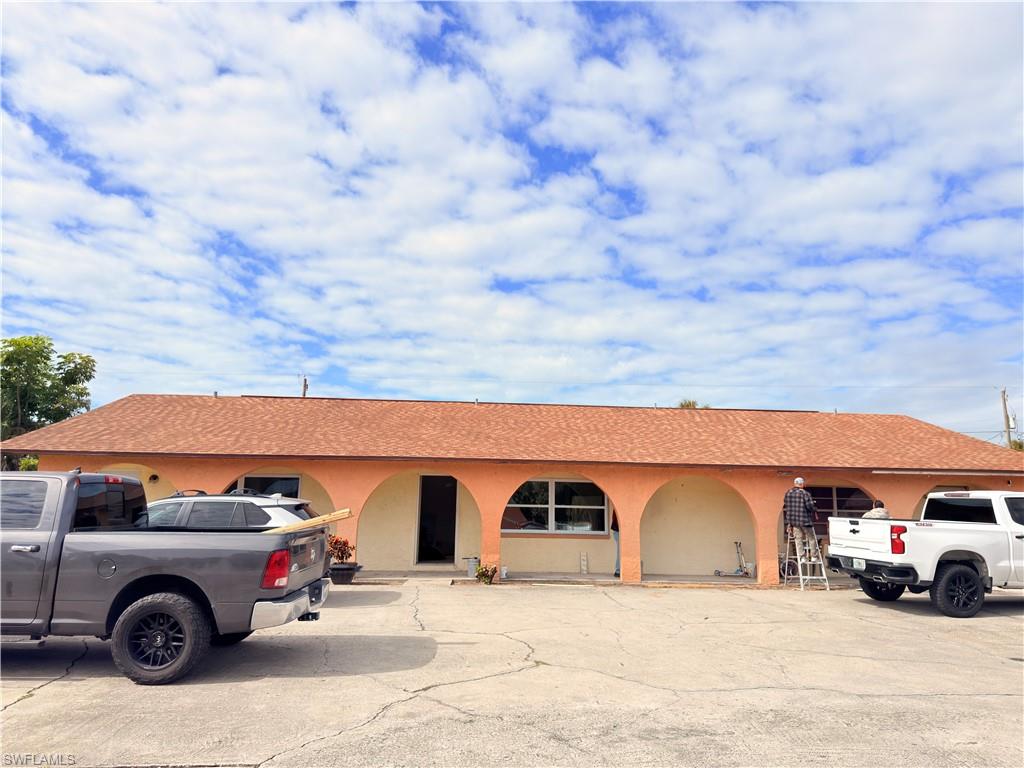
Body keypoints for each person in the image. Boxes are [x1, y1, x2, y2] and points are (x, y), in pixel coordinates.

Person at [783, 477, 819, 560]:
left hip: (794, 521)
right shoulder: (805, 493)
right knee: (811, 538)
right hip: (805, 520)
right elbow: (810, 506)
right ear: (802, 484)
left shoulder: (788, 493)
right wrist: (815, 509)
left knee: (798, 539)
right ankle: (813, 556)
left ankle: (802, 557)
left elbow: (786, 504)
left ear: (794, 483)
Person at [611, 510, 620, 577]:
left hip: (618, 530)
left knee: (620, 551)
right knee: (620, 551)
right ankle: (618, 570)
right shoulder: (616, 510)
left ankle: (618, 570)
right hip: (617, 530)